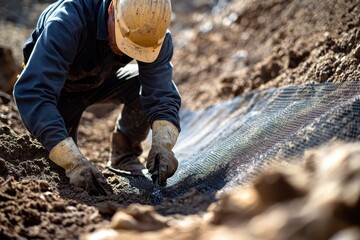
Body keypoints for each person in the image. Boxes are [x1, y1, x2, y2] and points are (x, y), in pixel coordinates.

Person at [13, 0, 181, 196]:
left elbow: (161, 91)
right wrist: (72, 162)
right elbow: (33, 92)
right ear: (112, 10)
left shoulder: (151, 34)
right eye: (125, 42)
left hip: (101, 78)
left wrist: (164, 143)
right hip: (57, 91)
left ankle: (124, 154)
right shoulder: (67, 23)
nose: (127, 51)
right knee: (60, 171)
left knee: (140, 83)